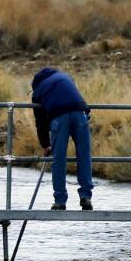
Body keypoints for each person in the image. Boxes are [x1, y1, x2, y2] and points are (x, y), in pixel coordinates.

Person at [30, 67, 94, 210]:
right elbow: (79, 99)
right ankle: (86, 196)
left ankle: (60, 201)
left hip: (60, 118)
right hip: (80, 114)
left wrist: (46, 144)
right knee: (84, 155)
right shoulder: (65, 77)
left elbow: (40, 122)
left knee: (59, 159)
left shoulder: (38, 90)